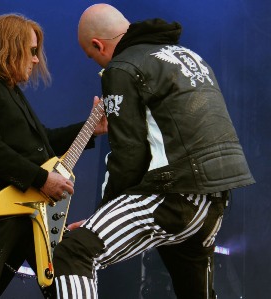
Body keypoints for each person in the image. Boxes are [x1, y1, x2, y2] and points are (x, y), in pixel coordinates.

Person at [52, 4, 255, 299]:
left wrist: (103, 216)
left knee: (74, 252)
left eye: (92, 56)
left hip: (173, 196)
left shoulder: (121, 67)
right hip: (215, 198)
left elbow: (128, 155)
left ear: (97, 45)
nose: (97, 64)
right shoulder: (189, 56)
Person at [0, 13, 107, 299]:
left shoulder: (10, 89)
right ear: (11, 46)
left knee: (64, 282)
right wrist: (41, 179)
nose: (36, 60)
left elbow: (41, 141)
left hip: (29, 209)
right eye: (32, 51)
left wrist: (90, 129)